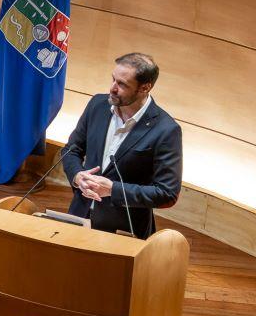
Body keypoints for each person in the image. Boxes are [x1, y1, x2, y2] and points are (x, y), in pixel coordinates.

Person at [62, 52, 182, 238]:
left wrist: (113, 189)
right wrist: (77, 176)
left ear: (145, 87)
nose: (112, 88)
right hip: (79, 216)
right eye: (113, 79)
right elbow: (71, 150)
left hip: (124, 230)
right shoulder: (97, 105)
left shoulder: (165, 130)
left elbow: (167, 193)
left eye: (122, 84)